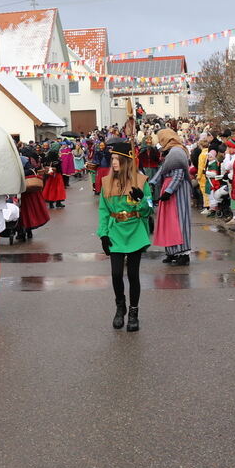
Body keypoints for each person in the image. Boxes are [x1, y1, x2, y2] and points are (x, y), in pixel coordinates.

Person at [98, 141, 152, 331]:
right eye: (112, 158)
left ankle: (134, 312)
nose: (113, 162)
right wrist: (103, 234)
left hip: (135, 230)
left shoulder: (141, 181)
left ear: (127, 161)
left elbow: (148, 211)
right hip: (115, 232)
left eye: (117, 159)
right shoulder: (106, 183)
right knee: (115, 274)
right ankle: (120, 308)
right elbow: (103, 211)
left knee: (133, 275)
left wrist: (141, 200)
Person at [151, 128, 192, 265]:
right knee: (168, 221)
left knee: (179, 221)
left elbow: (179, 175)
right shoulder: (170, 151)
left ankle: (182, 253)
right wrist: (151, 182)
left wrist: (169, 191)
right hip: (169, 188)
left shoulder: (177, 151)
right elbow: (163, 170)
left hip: (177, 191)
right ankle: (172, 251)